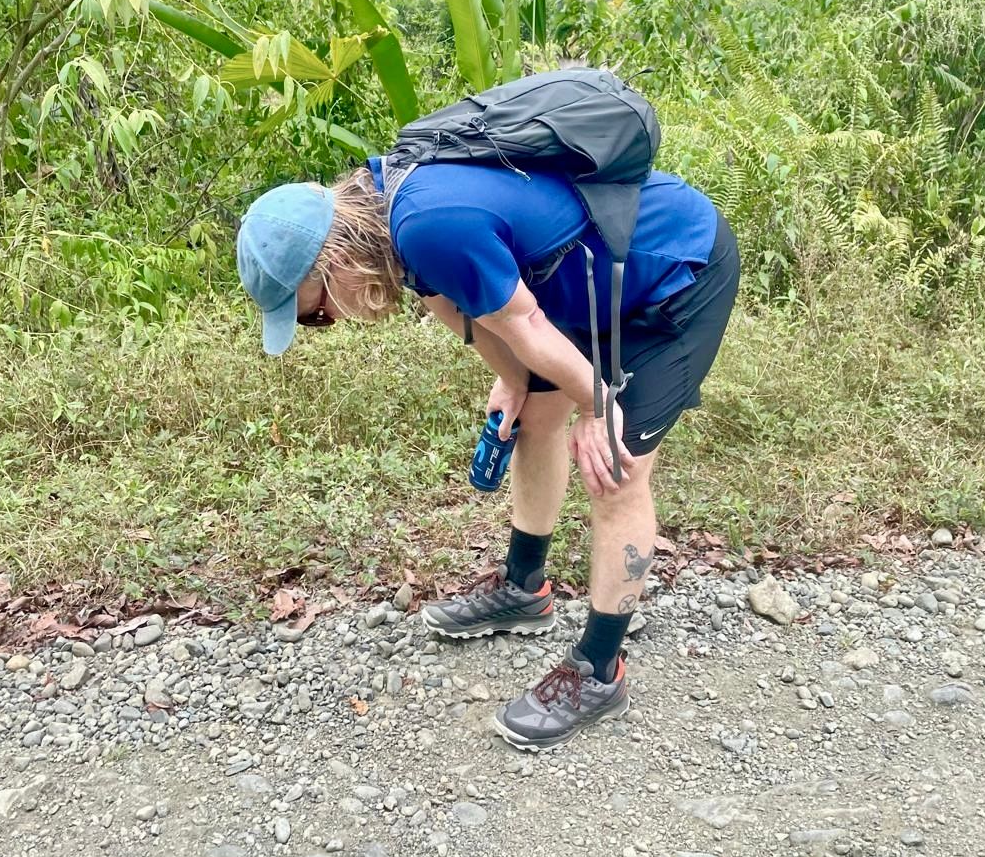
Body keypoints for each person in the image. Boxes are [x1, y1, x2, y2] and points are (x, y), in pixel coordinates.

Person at [236, 146, 739, 750]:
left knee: (615, 467)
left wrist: (594, 405)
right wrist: (517, 380)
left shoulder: (426, 225)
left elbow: (524, 324)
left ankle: (600, 671)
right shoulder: (390, 219)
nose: (329, 322)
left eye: (316, 311)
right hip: (590, 281)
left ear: (335, 258)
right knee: (533, 418)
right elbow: (476, 317)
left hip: (674, 271)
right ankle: (525, 588)